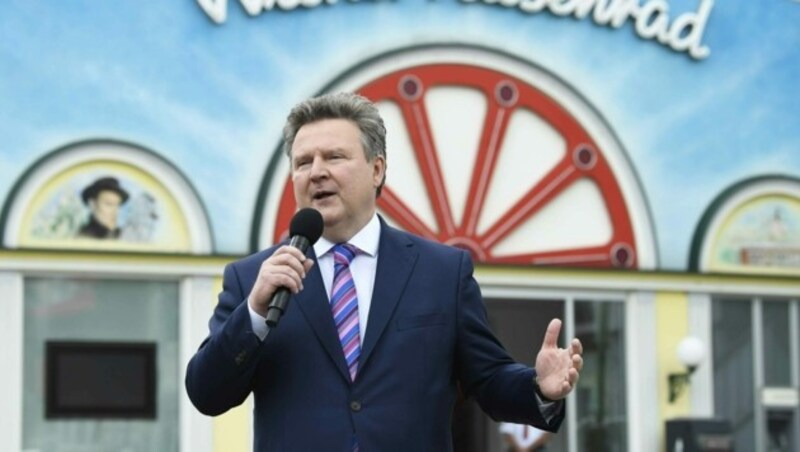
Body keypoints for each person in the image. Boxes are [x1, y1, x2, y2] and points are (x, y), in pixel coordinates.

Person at [185, 92, 584, 451]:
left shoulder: (442, 272)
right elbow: (208, 394)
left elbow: (489, 379)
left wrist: (539, 389)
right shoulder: (254, 278)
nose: (316, 172)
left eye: (334, 157)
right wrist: (253, 315)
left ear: (377, 170)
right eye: (303, 162)